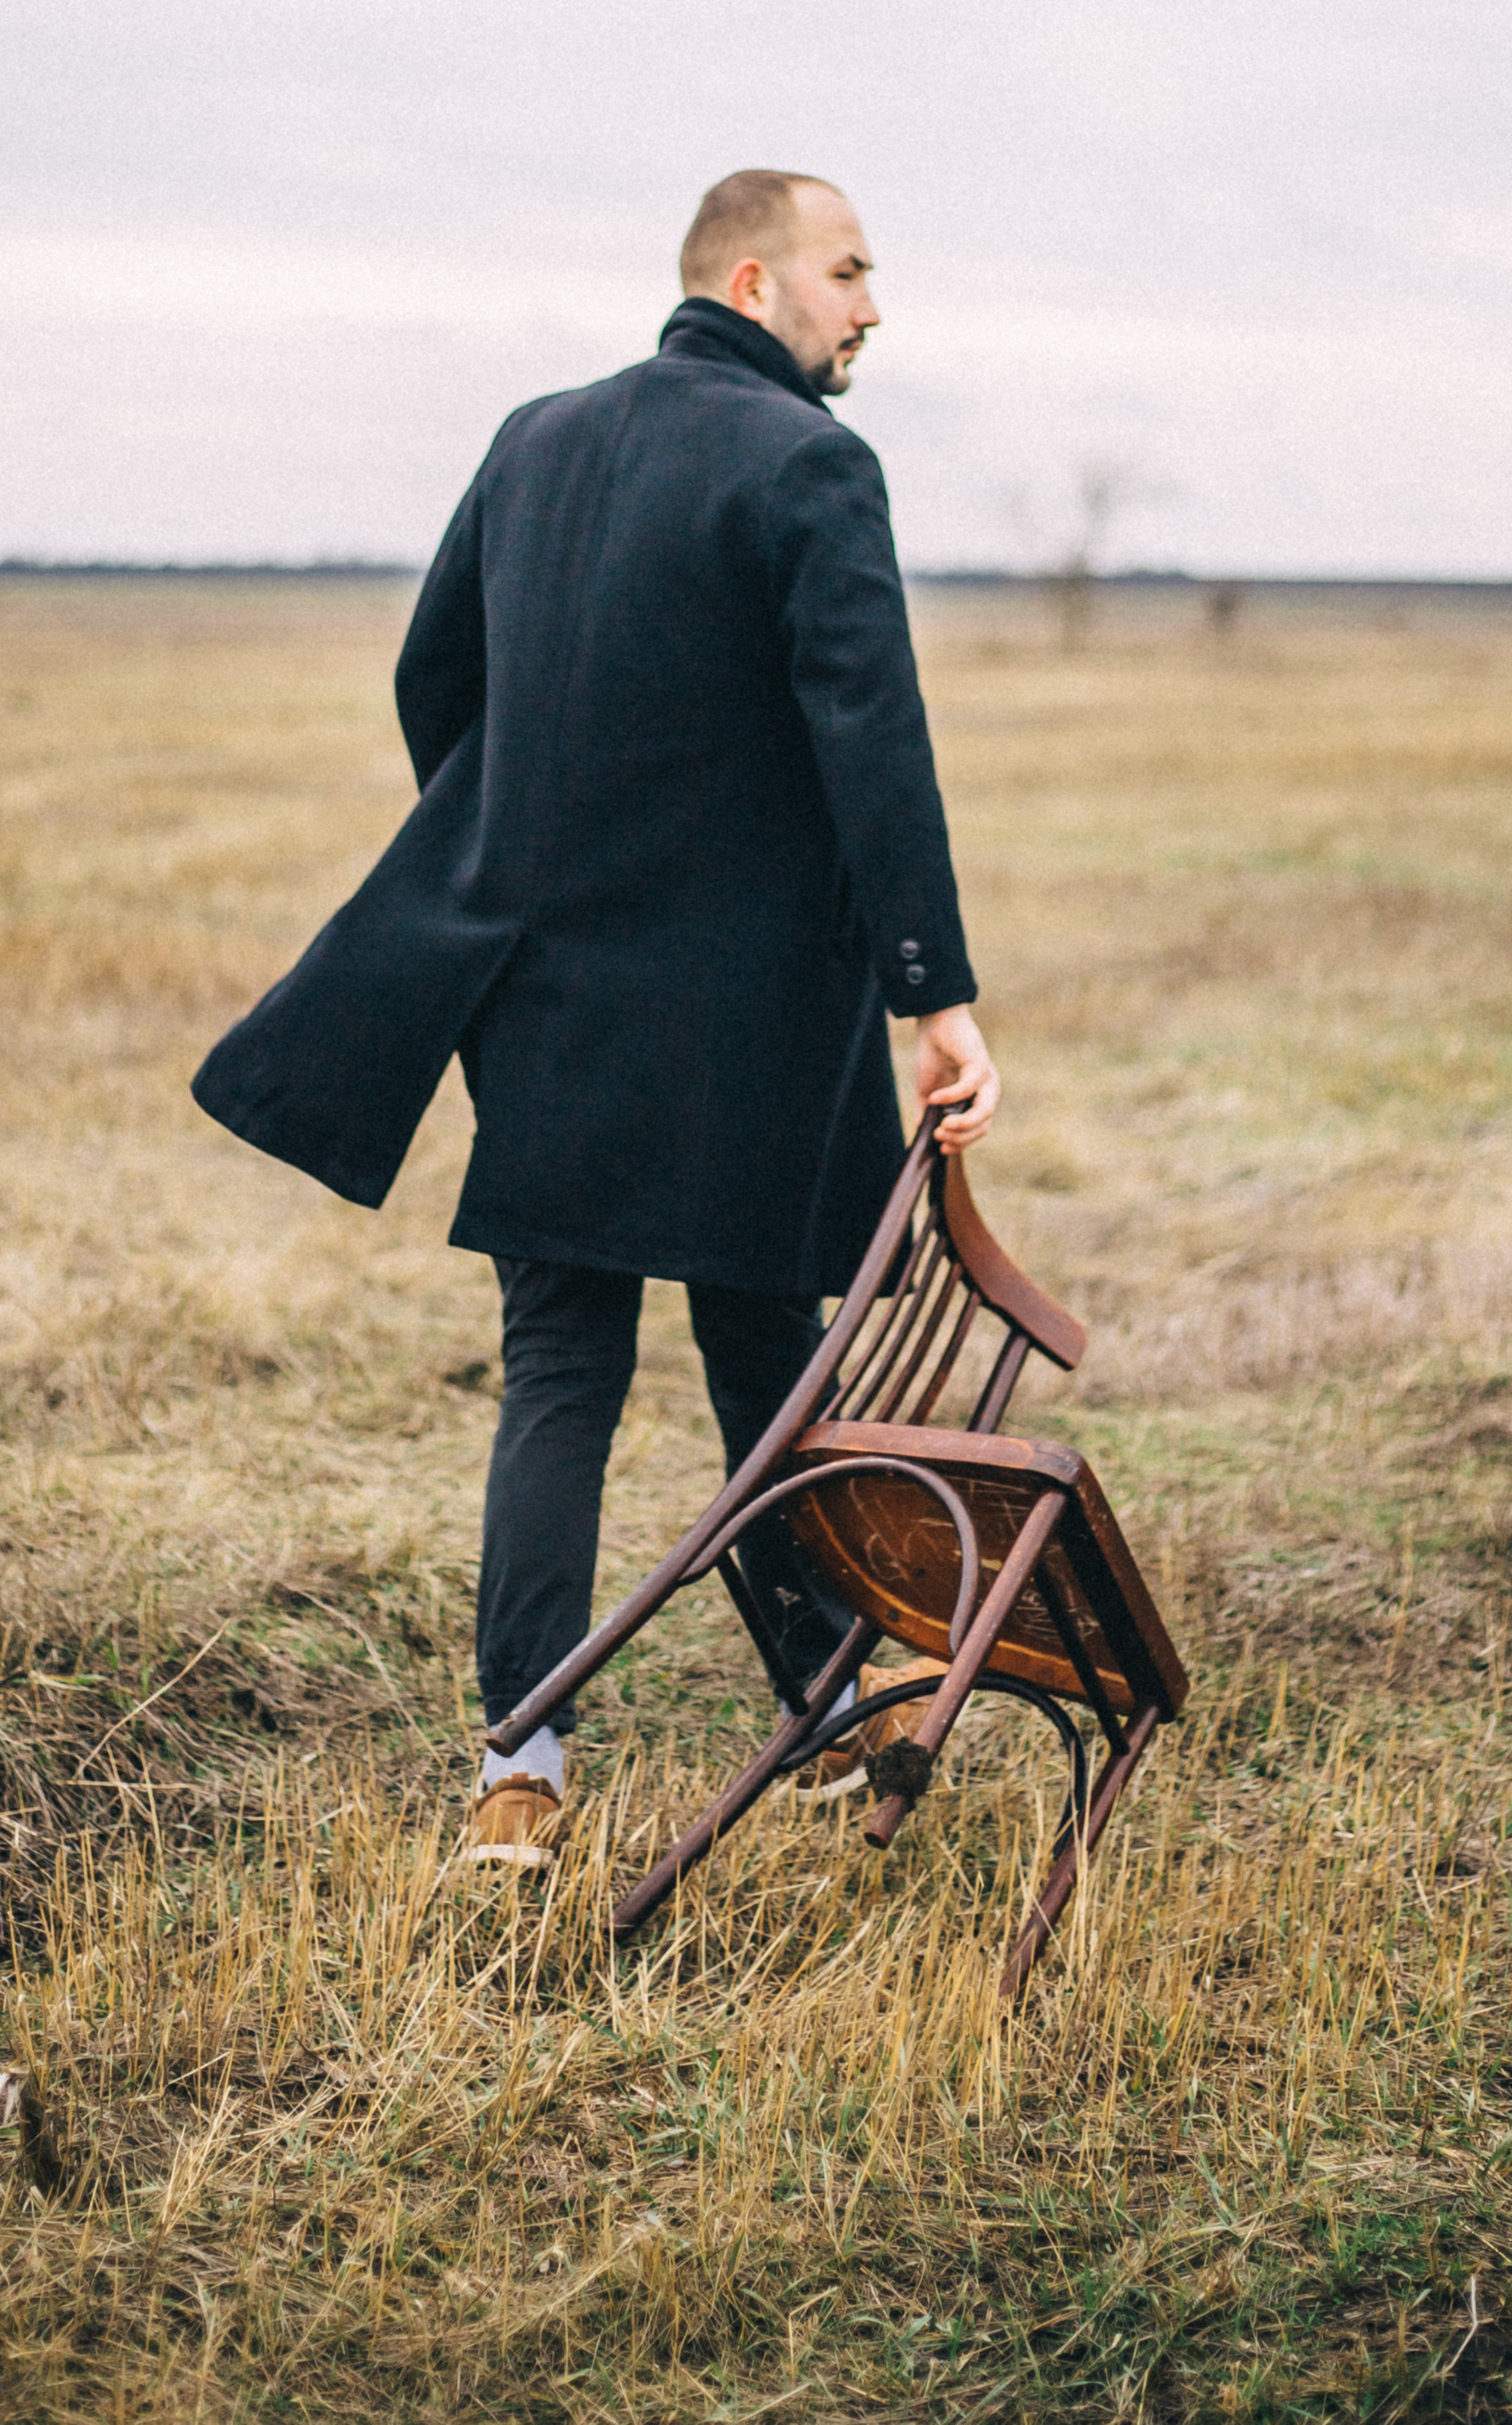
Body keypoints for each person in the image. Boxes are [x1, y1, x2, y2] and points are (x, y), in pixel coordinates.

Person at [192, 171, 998, 1860]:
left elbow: (436, 682)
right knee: (766, 1355)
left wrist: (537, 857)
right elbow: (877, 743)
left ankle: (521, 1774)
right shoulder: (814, 465)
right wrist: (937, 998)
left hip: (544, 999)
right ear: (759, 278)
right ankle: (835, 1719)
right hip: (756, 1020)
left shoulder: (535, 439)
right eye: (852, 273)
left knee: (560, 1371)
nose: (873, 307)